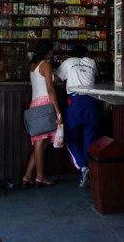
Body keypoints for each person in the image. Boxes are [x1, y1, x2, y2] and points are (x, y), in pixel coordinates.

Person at [54, 44, 101, 188]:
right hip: (91, 102)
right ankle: (89, 174)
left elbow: (55, 79)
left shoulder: (68, 62)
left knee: (69, 138)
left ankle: (83, 167)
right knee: (90, 139)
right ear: (86, 52)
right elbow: (96, 77)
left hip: (75, 102)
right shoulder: (92, 62)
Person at [22, 39, 62, 187]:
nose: (52, 53)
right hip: (45, 104)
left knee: (42, 143)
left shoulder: (33, 65)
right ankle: (39, 176)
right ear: (48, 51)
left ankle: (27, 175)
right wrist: (58, 111)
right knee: (40, 142)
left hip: (35, 104)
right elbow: (50, 89)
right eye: (51, 50)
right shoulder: (46, 64)